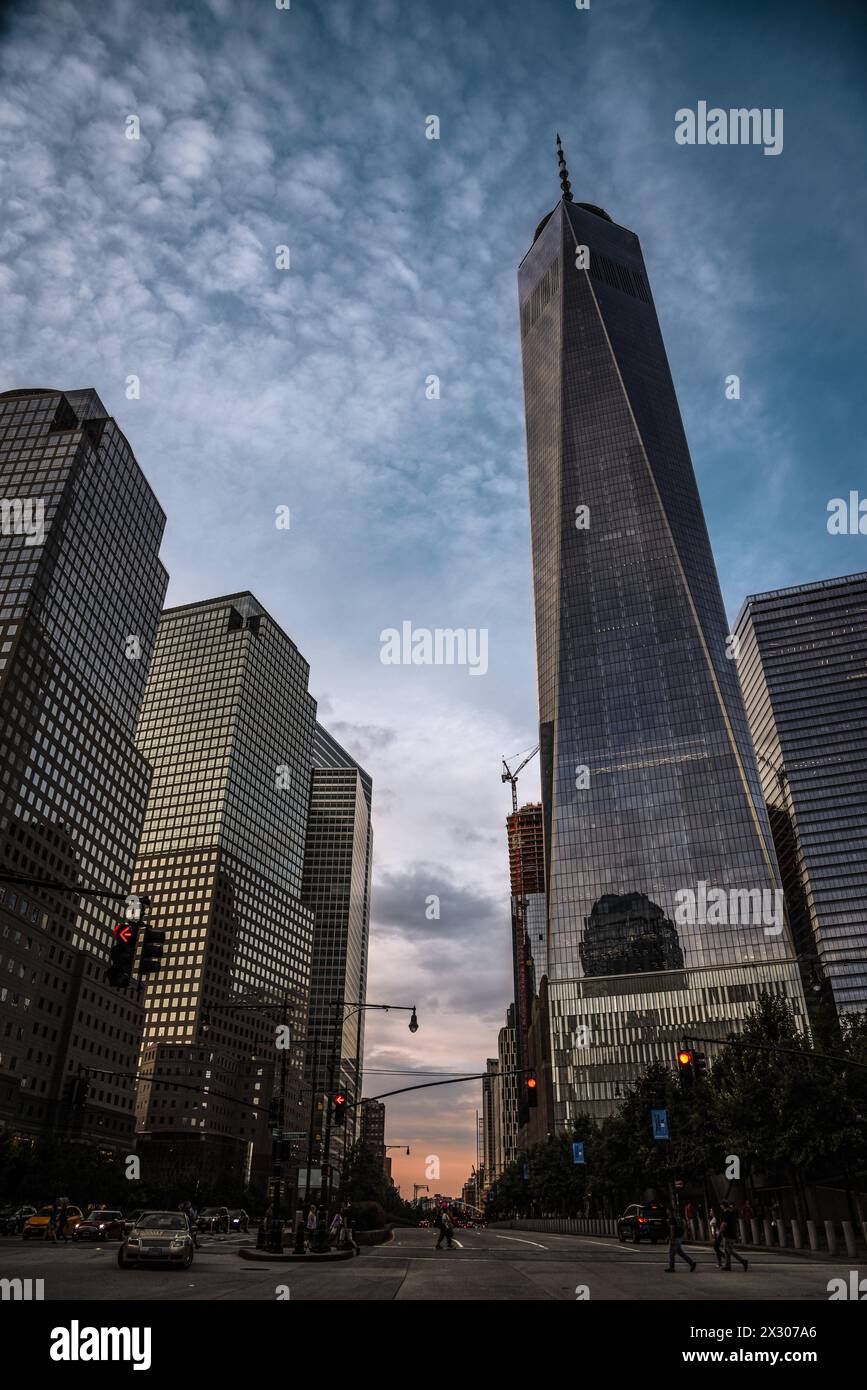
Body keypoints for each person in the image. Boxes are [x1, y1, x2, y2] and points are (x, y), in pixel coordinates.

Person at [665, 1206, 696, 1272]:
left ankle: (672, 1268)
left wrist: (672, 1239)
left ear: (670, 1211)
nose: (666, 1211)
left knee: (671, 1253)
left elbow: (672, 1229)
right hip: (679, 1237)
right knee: (681, 1253)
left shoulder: (672, 1219)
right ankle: (692, 1263)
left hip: (675, 1238)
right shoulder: (677, 1218)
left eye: (667, 1210)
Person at [719, 1203, 748, 1272]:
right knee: (726, 1250)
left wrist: (719, 1232)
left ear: (723, 1206)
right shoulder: (732, 1213)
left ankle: (743, 1261)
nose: (720, 1206)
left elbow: (724, 1224)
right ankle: (728, 1265)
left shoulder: (725, 1213)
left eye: (721, 1205)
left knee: (729, 1250)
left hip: (727, 1234)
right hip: (732, 1234)